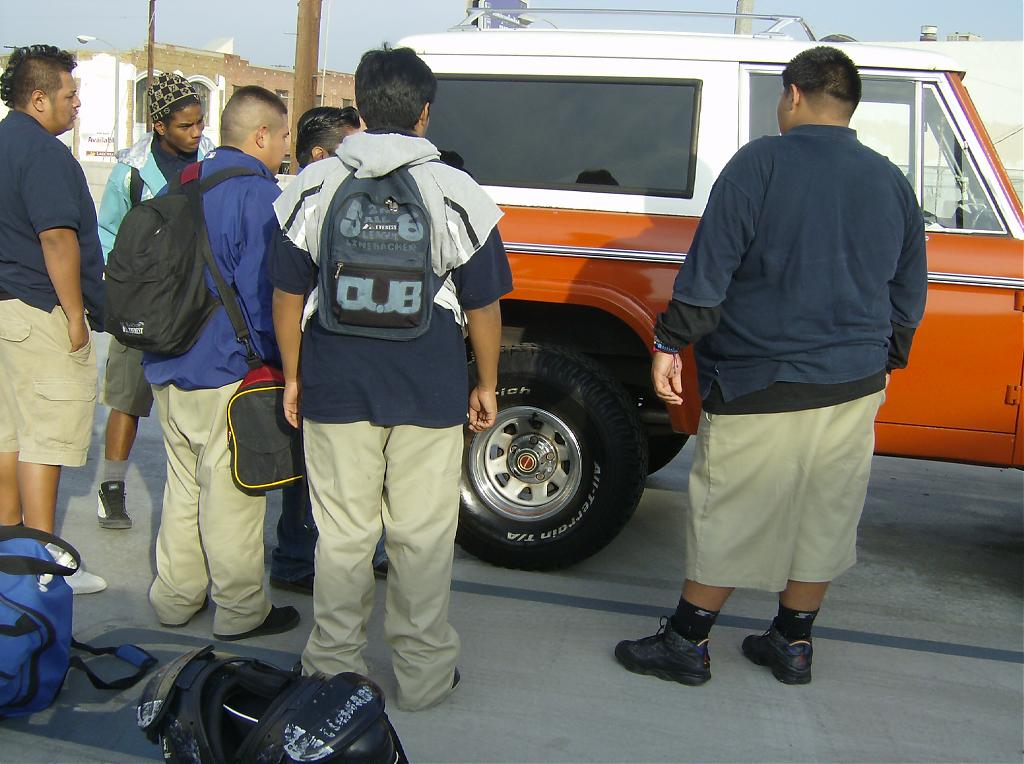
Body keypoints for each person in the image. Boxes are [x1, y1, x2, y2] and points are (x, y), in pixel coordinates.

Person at [615, 46, 927, 686]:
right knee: (826, 509)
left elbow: (708, 277)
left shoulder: (760, 164)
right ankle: (792, 643)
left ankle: (687, 641)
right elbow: (908, 290)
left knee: (730, 506)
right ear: (850, 106)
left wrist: (671, 343)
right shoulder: (890, 180)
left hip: (763, 379)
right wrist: (885, 357)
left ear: (792, 95)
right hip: (854, 381)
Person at [271, 45, 511, 711]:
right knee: (422, 537)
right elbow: (485, 305)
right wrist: (485, 383)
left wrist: (294, 374)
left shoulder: (311, 186)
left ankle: (332, 671)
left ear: (360, 107)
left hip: (335, 384)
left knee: (343, 534)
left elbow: (287, 296)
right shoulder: (457, 191)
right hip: (429, 391)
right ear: (425, 113)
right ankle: (424, 676)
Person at [142, 85, 300, 641]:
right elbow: (265, 298)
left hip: (166, 360)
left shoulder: (184, 182)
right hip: (226, 371)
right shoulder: (257, 197)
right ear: (260, 136)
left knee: (183, 488)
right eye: (282, 136)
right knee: (234, 495)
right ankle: (239, 611)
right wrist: (286, 368)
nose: (285, 148)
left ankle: (175, 598)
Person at [268, 104, 390, 595]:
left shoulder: (346, 193)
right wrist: (292, 372)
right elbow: (285, 293)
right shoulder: (300, 200)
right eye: (350, 145)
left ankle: (361, 553)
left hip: (329, 358)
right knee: (307, 472)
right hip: (309, 354)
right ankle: (297, 559)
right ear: (320, 154)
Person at [0, 45, 107, 594]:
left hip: (5, 310)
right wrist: (74, 316)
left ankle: (11, 556)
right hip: (40, 308)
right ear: (38, 98)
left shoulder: (3, 142)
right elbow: (57, 238)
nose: (76, 104)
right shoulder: (42, 152)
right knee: (44, 439)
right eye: (69, 95)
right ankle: (43, 567)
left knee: (10, 435)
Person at [94, 73, 216, 530]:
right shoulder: (130, 170)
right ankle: (112, 489)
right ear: (160, 126)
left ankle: (190, 494)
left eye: (200, 123)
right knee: (126, 398)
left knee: (187, 401)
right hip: (140, 303)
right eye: (186, 126)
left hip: (190, 303)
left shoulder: (209, 162)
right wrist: (120, 289)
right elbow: (107, 233)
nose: (197, 133)